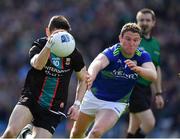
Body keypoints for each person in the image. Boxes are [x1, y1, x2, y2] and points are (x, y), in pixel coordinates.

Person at [1, 15, 87, 138]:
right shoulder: (39, 44)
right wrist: (48, 47)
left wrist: (77, 104)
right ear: (48, 32)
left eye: (63, 35)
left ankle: (26, 135)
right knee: (10, 133)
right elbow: (37, 65)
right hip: (32, 99)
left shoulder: (73, 53)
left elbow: (83, 78)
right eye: (56, 34)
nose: (60, 39)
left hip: (53, 108)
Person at [70, 22, 157, 138]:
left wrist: (138, 69)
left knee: (96, 132)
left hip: (115, 103)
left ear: (139, 41)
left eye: (135, 40)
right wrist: (91, 75)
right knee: (76, 133)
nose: (131, 43)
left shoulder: (142, 55)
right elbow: (98, 63)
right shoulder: (113, 52)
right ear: (120, 38)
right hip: (93, 96)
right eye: (128, 39)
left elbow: (153, 75)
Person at [127, 8, 165, 138]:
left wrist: (158, 93)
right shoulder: (132, 40)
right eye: (141, 20)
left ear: (153, 22)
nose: (144, 23)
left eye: (148, 20)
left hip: (146, 89)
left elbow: (156, 69)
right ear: (136, 22)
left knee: (133, 128)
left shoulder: (155, 44)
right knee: (149, 123)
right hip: (133, 87)